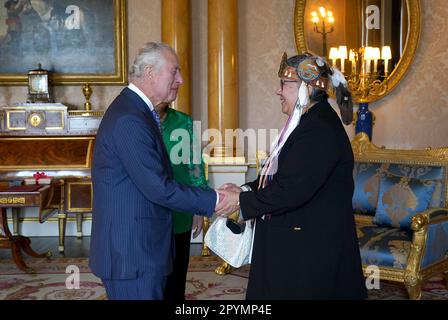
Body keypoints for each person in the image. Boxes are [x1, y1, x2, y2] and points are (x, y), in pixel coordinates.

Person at [89, 42, 237, 300]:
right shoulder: (130, 119)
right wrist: (216, 200)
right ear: (150, 73)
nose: (180, 79)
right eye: (174, 71)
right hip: (133, 254)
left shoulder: (136, 111)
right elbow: (158, 186)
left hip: (138, 247)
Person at [219, 52, 367, 299]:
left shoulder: (319, 129)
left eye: (284, 84)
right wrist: (245, 190)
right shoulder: (308, 122)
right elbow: (279, 174)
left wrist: (241, 202)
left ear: (306, 88)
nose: (278, 91)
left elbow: (291, 189)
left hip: (311, 249)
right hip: (299, 241)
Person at [158, 104, 208, 300]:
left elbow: (195, 165)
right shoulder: (137, 119)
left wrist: (198, 205)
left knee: (176, 276)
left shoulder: (183, 122)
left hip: (180, 208)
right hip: (147, 213)